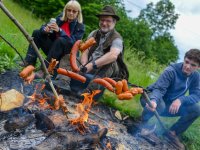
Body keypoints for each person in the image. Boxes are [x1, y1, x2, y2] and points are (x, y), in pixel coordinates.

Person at [140, 49, 200, 149]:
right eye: (187, 62)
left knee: (196, 109)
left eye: (193, 65)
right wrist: (154, 101)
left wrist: (181, 100)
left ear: (198, 67)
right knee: (159, 104)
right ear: (184, 59)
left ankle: (172, 133)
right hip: (151, 98)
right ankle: (142, 124)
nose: (188, 66)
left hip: (169, 105)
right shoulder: (171, 71)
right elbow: (159, 89)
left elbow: (197, 95)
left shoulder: (196, 77)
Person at [70, 5, 129, 99]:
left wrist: (92, 65)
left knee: (110, 62)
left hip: (106, 69)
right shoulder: (94, 33)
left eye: (108, 21)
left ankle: (89, 92)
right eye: (102, 20)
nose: (104, 23)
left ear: (114, 22)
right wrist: (84, 64)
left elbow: (113, 55)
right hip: (89, 64)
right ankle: (63, 82)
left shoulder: (117, 39)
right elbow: (85, 50)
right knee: (68, 57)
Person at [23, 0, 85, 79]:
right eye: (69, 10)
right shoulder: (60, 18)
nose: (71, 13)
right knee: (37, 32)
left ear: (78, 13)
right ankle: (29, 61)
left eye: (74, 11)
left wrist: (60, 31)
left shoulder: (80, 26)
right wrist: (45, 30)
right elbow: (44, 26)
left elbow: (73, 43)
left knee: (60, 40)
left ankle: (44, 70)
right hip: (53, 50)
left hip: (65, 56)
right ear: (65, 10)